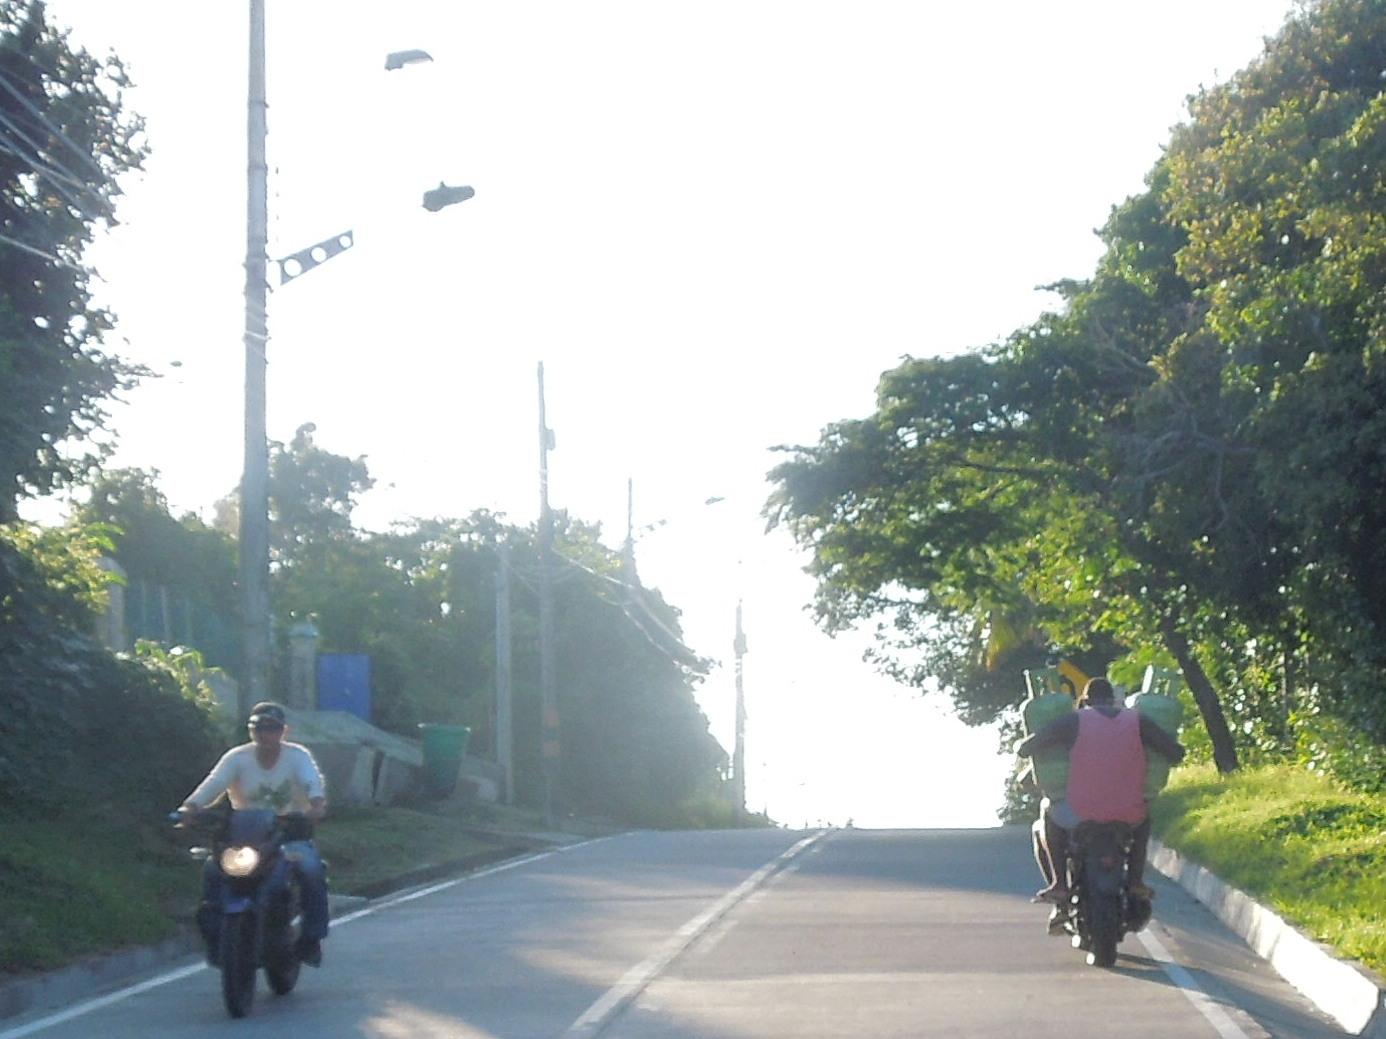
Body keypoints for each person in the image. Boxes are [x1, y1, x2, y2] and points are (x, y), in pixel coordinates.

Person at [179, 701, 330, 966]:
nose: (265, 734)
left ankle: (311, 939)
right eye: (259, 728)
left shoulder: (297, 756)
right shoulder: (237, 757)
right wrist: (190, 807)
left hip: (288, 835)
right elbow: (213, 784)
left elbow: (311, 781)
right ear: (251, 731)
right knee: (213, 871)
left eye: (272, 728)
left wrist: (316, 803)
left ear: (284, 731)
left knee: (310, 870)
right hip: (244, 838)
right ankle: (215, 939)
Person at [1016, 676, 1184, 912]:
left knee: (1047, 812)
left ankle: (1060, 884)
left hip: (1076, 812)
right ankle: (1136, 882)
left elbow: (1027, 749)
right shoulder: (1138, 721)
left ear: (1084, 701)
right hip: (1128, 812)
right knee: (1143, 820)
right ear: (1115, 700)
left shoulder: (1072, 720)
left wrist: (1021, 747)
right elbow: (1175, 753)